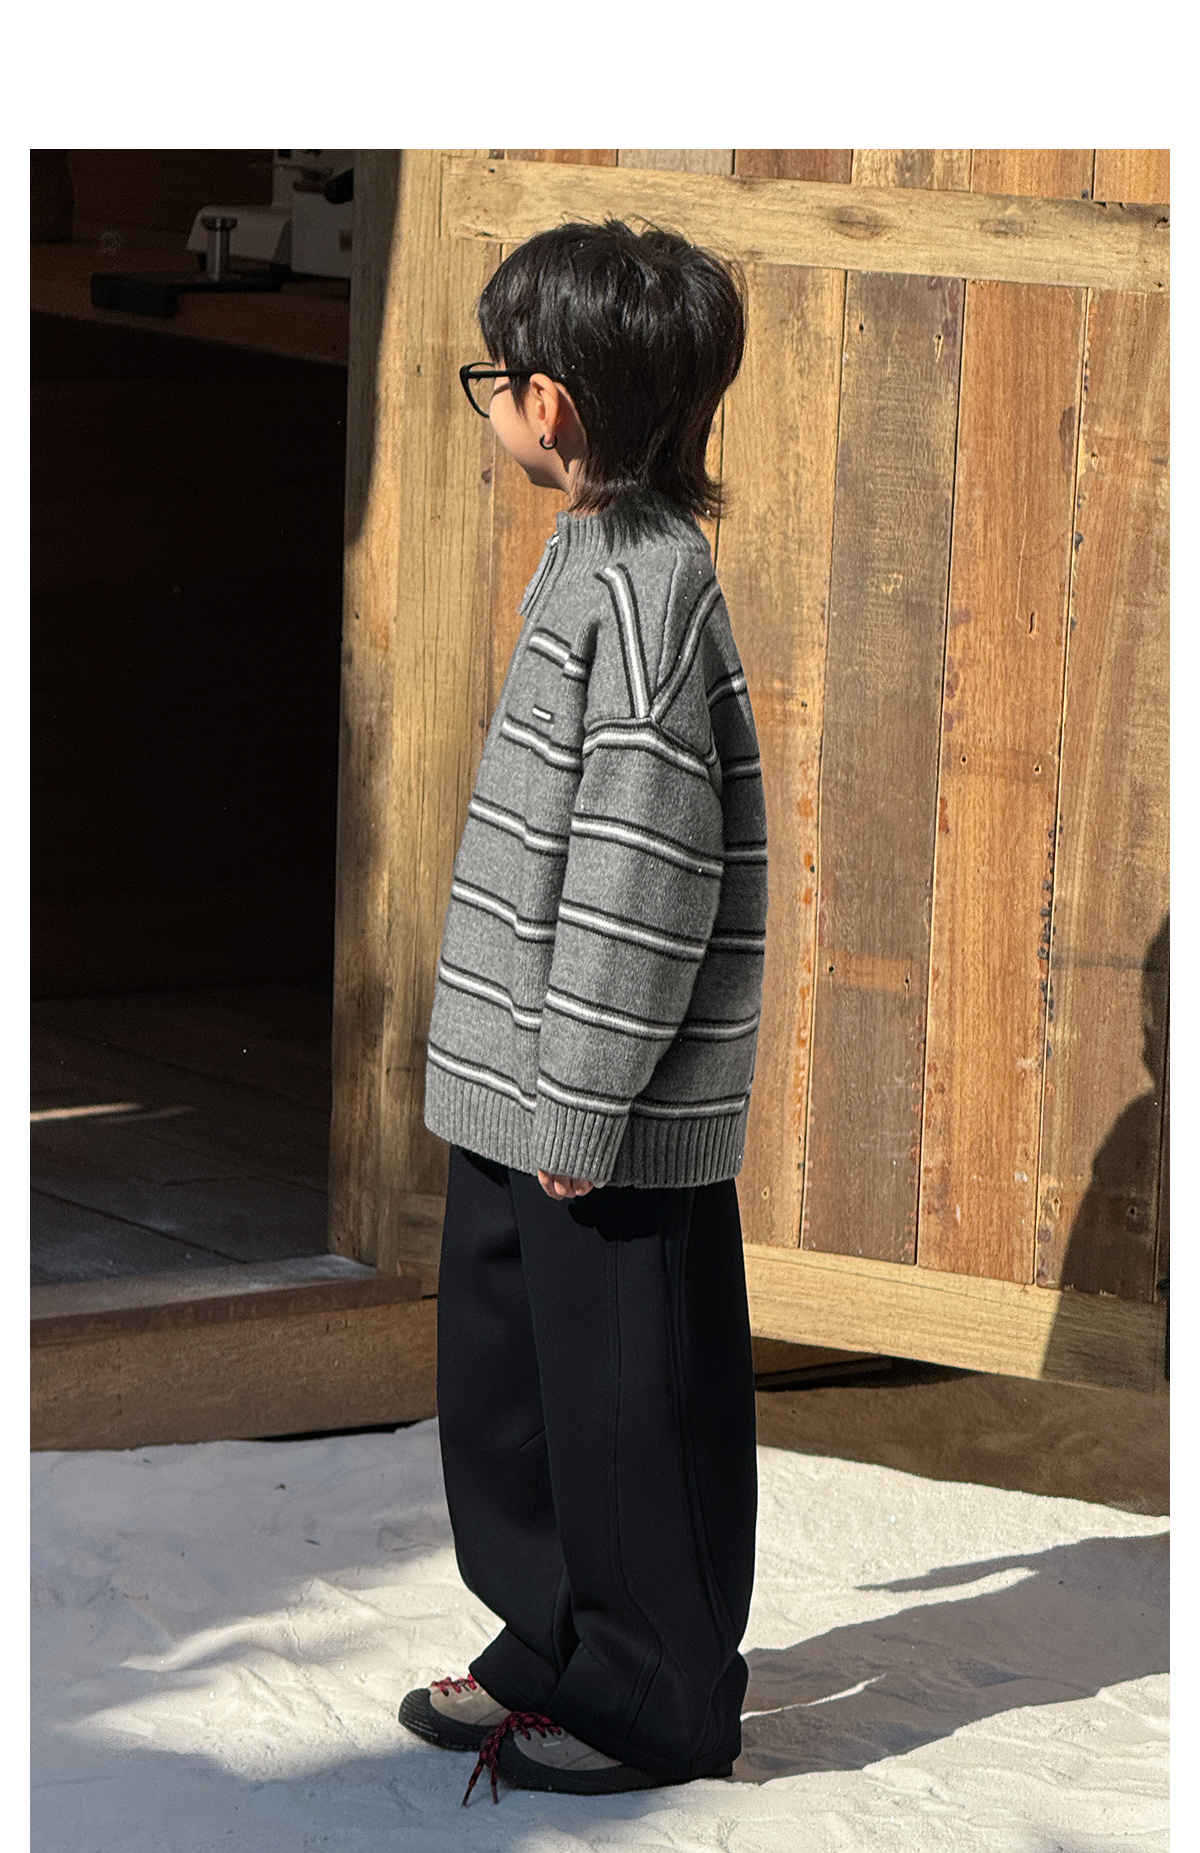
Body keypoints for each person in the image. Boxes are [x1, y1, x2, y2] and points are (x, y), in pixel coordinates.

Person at [400, 216, 769, 1805]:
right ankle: (551, 1627)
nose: (490, 399)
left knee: (632, 1408)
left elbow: (639, 871)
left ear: (547, 404)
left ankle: (658, 1691)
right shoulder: (591, 553)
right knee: (514, 1386)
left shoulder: (651, 598)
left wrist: (588, 1097)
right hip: (521, 1088)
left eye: (491, 376)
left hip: (595, 1110)